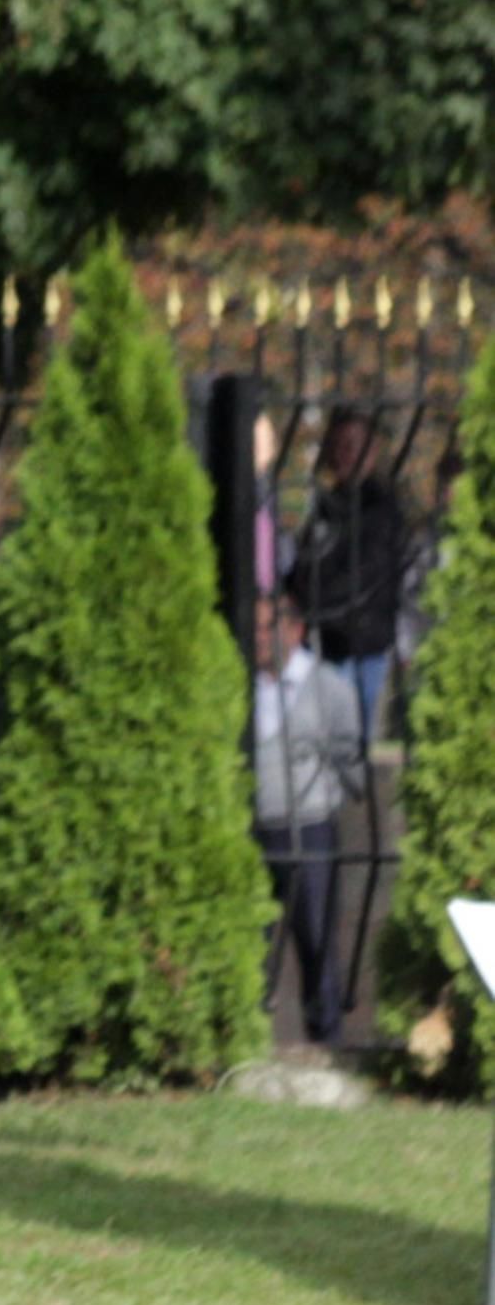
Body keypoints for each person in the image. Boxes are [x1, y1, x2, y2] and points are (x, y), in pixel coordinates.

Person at [250, 589, 369, 1049]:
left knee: (318, 946)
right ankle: (245, 1047)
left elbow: (351, 759)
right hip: (255, 834)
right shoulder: (242, 684)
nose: (258, 637)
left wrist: (325, 791)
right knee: (250, 950)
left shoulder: (328, 687)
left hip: (310, 831)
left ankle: (327, 1046)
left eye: (268, 626)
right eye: (254, 627)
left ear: (295, 629)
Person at [288, 412, 412, 743]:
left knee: (350, 749)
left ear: (371, 452)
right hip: (323, 646)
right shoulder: (326, 505)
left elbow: (362, 574)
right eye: (337, 445)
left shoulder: (382, 507)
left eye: (352, 445)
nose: (343, 454)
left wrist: (309, 599)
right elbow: (304, 563)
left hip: (361, 648)